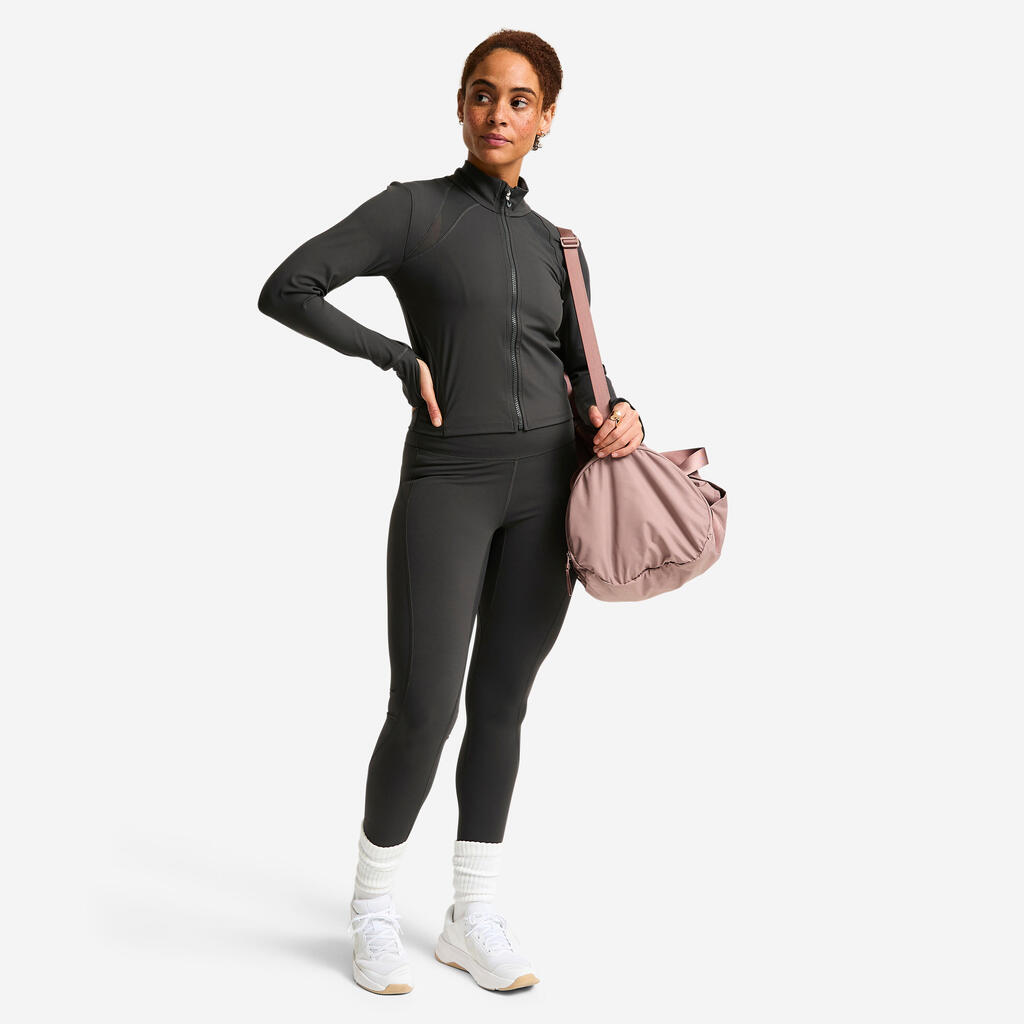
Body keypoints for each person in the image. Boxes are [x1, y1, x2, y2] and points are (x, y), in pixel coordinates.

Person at [257, 29, 644, 995]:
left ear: (546, 119)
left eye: (519, 100)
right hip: (449, 485)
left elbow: (580, 369)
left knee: (502, 703)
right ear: (461, 104)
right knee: (424, 707)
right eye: (482, 93)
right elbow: (287, 287)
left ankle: (472, 916)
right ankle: (372, 910)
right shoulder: (414, 211)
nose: (497, 113)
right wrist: (395, 357)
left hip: (548, 493)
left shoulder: (559, 245)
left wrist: (624, 413)